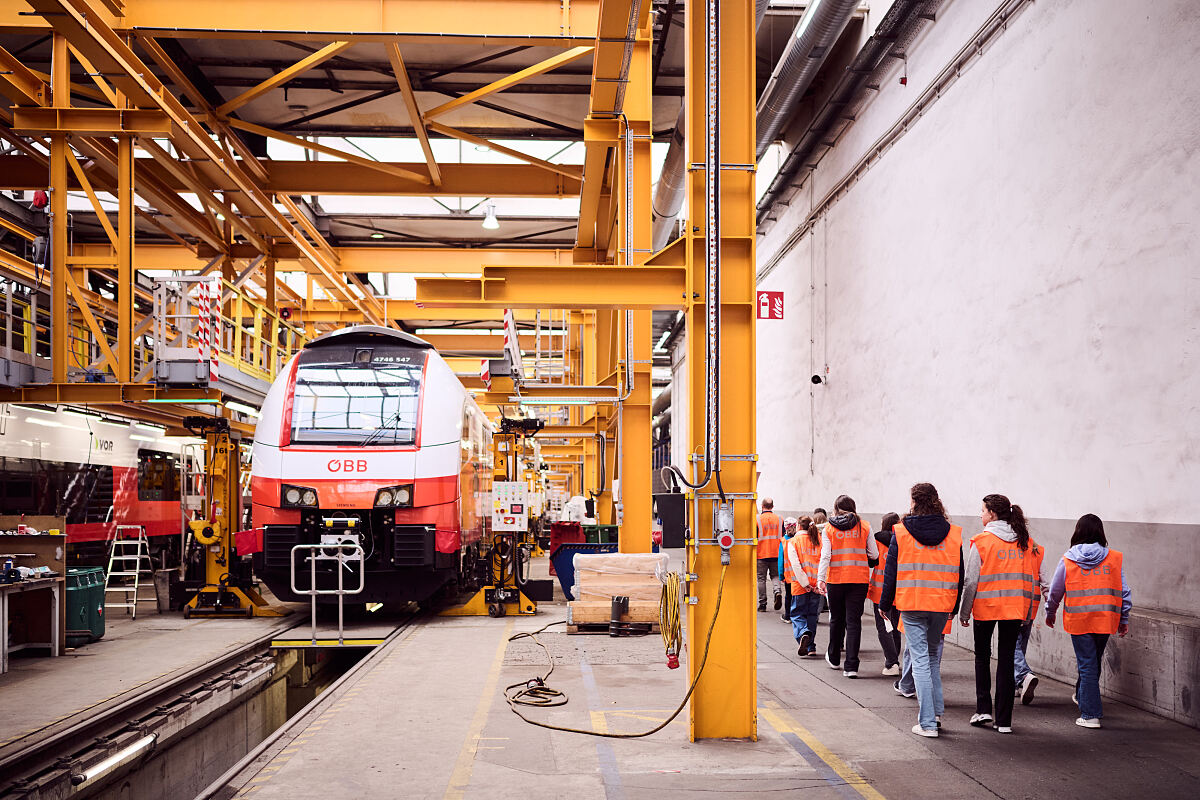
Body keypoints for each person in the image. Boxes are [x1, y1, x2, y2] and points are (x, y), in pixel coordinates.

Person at [880, 482, 963, 738]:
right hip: (941, 604)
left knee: (920, 662)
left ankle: (927, 723)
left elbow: (890, 572)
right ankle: (936, 713)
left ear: (914, 501)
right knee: (930, 658)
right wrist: (955, 606)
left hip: (913, 603)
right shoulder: (953, 533)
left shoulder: (902, 531)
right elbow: (959, 574)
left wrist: (884, 604)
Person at [1044, 514, 1132, 729]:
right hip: (1105, 619)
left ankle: (1090, 714)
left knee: (1087, 664)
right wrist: (1124, 617)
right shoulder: (1113, 558)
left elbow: (1055, 590)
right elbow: (1125, 592)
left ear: (1078, 532)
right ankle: (1083, 697)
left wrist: (1050, 611)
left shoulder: (1068, 559)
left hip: (1079, 619)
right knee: (1092, 662)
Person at [960, 494, 1037, 734]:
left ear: (992, 514)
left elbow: (971, 581)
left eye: (982, 510)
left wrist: (964, 611)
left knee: (982, 656)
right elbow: (1029, 580)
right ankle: (1004, 721)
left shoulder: (982, 541)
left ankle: (983, 709)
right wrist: (1027, 610)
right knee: (1006, 661)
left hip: (985, 608)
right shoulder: (1024, 542)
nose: (980, 514)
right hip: (1014, 609)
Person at [817, 495, 877, 678]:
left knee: (836, 619)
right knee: (853, 622)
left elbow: (826, 555)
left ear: (835, 509)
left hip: (835, 580)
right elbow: (874, 553)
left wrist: (820, 577)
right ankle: (851, 666)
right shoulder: (864, 526)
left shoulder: (829, 528)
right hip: (858, 580)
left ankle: (834, 658)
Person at [1013, 540, 1048, 705]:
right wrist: (1050, 605)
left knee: (1011, 644)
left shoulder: (1009, 547)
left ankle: (1024, 675)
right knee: (1020, 646)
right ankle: (1015, 684)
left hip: (1012, 602)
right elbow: (1045, 581)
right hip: (1032, 603)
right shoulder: (1036, 549)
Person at [870, 512, 902, 676]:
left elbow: (871, 560)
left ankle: (891, 663)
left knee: (884, 628)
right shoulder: (902, 541)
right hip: (898, 591)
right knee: (896, 627)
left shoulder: (875, 541)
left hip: (880, 592)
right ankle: (894, 658)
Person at [785, 515, 822, 657]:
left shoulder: (793, 542)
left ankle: (803, 633)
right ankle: (811, 647)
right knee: (812, 615)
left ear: (799, 526)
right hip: (816, 585)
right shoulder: (818, 541)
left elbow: (796, 565)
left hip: (801, 586)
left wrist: (805, 584)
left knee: (797, 614)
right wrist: (818, 582)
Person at [756, 498, 784, 612]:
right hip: (776, 553)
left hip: (761, 553)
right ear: (772, 506)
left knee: (761, 579)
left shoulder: (757, 519)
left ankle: (763, 604)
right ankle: (777, 591)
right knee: (775, 576)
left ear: (762, 506)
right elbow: (783, 534)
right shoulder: (779, 519)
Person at [779, 517, 799, 622]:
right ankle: (797, 615)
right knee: (798, 595)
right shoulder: (799, 539)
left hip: (788, 575)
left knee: (788, 595)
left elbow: (781, 560)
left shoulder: (783, 541)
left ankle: (788, 615)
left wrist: (781, 574)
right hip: (798, 574)